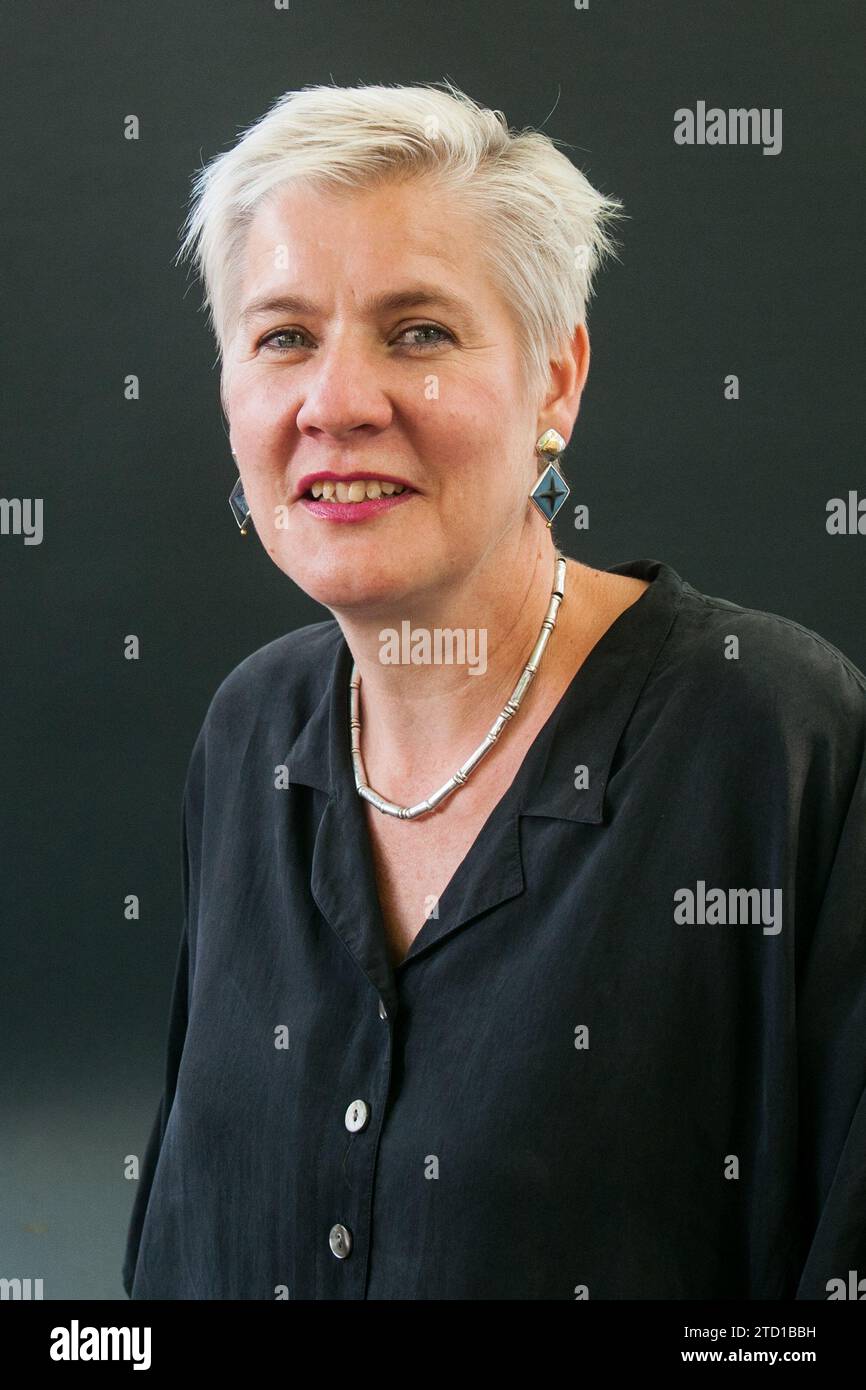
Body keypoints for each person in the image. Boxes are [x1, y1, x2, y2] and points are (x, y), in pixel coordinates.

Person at [123, 80, 866, 1300]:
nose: (337, 404)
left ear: (554, 386)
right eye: (283, 336)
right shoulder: (250, 729)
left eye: (418, 331)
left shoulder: (774, 738)